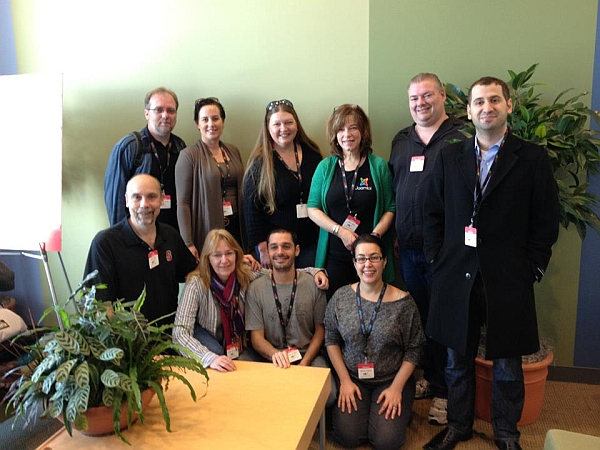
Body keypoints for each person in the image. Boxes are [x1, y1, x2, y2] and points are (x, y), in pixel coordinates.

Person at [422, 77, 560, 450]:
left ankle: (506, 434)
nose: (487, 107)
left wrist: (532, 268)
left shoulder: (532, 159)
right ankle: (458, 425)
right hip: (457, 274)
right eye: (479, 102)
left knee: (508, 365)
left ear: (509, 106)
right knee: (456, 360)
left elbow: (546, 221)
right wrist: (436, 259)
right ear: (468, 111)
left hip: (509, 276)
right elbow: (431, 212)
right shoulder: (450, 157)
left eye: (495, 100)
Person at [388, 73, 465, 425]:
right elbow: (396, 189)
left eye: (427, 95)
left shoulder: (461, 136)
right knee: (421, 319)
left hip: (446, 251)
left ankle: (448, 394)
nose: (420, 103)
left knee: (446, 321)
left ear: (442, 96)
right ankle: (432, 380)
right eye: (414, 98)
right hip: (408, 250)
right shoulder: (401, 140)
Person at [174, 229, 329, 372]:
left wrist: (314, 272)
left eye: (229, 253)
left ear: (237, 254)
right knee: (219, 357)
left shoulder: (245, 273)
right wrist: (209, 358)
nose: (224, 260)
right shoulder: (196, 284)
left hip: (237, 344)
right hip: (209, 340)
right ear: (207, 258)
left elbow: (281, 271)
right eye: (217, 255)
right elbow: (179, 333)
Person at [324, 234, 425, 449]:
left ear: (385, 261)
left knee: (387, 441)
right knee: (348, 437)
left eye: (374, 257)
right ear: (354, 263)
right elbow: (331, 339)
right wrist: (344, 381)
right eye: (361, 258)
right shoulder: (341, 297)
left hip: (391, 379)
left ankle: (399, 409)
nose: (367, 264)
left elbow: (414, 349)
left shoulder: (404, 303)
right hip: (353, 378)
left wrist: (396, 388)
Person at [308, 104, 395, 298]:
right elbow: (313, 208)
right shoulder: (325, 167)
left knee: (372, 306)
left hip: (370, 258)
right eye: (341, 129)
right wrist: (341, 232)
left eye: (353, 128)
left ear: (363, 132)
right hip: (334, 256)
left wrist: (374, 237)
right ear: (335, 135)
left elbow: (390, 207)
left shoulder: (379, 166)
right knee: (337, 307)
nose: (347, 134)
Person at [85, 174, 197, 325]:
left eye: (151, 197)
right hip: (130, 337)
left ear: (161, 199)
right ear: (126, 200)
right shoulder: (105, 244)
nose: (144, 204)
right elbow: (100, 305)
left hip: (171, 334)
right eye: (137, 197)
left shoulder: (170, 235)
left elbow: (193, 273)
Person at [243, 99, 322, 269]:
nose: (283, 129)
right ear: (268, 128)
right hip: (276, 247)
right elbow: (251, 211)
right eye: (277, 124)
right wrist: (263, 250)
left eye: (288, 122)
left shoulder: (313, 155)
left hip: (310, 242)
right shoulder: (260, 162)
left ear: (296, 124)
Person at [175, 97, 249, 260]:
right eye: (205, 119)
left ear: (223, 121)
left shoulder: (233, 151)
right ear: (197, 123)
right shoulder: (188, 156)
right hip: (207, 228)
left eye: (215, 118)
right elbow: (183, 203)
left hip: (236, 227)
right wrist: (187, 242)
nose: (211, 124)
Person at [104, 87, 186, 230]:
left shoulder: (180, 147)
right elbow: (116, 201)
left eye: (171, 110)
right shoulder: (129, 147)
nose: (165, 115)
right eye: (159, 110)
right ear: (147, 113)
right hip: (139, 234)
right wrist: (123, 238)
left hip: (173, 234)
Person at [245, 229, 327, 369]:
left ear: (297, 250)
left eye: (286, 246)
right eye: (274, 247)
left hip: (307, 355)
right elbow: (256, 338)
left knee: (326, 381)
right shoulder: (255, 289)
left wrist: (304, 363)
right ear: (267, 252)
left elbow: (320, 331)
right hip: (269, 355)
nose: (280, 252)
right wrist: (277, 356)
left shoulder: (314, 284)